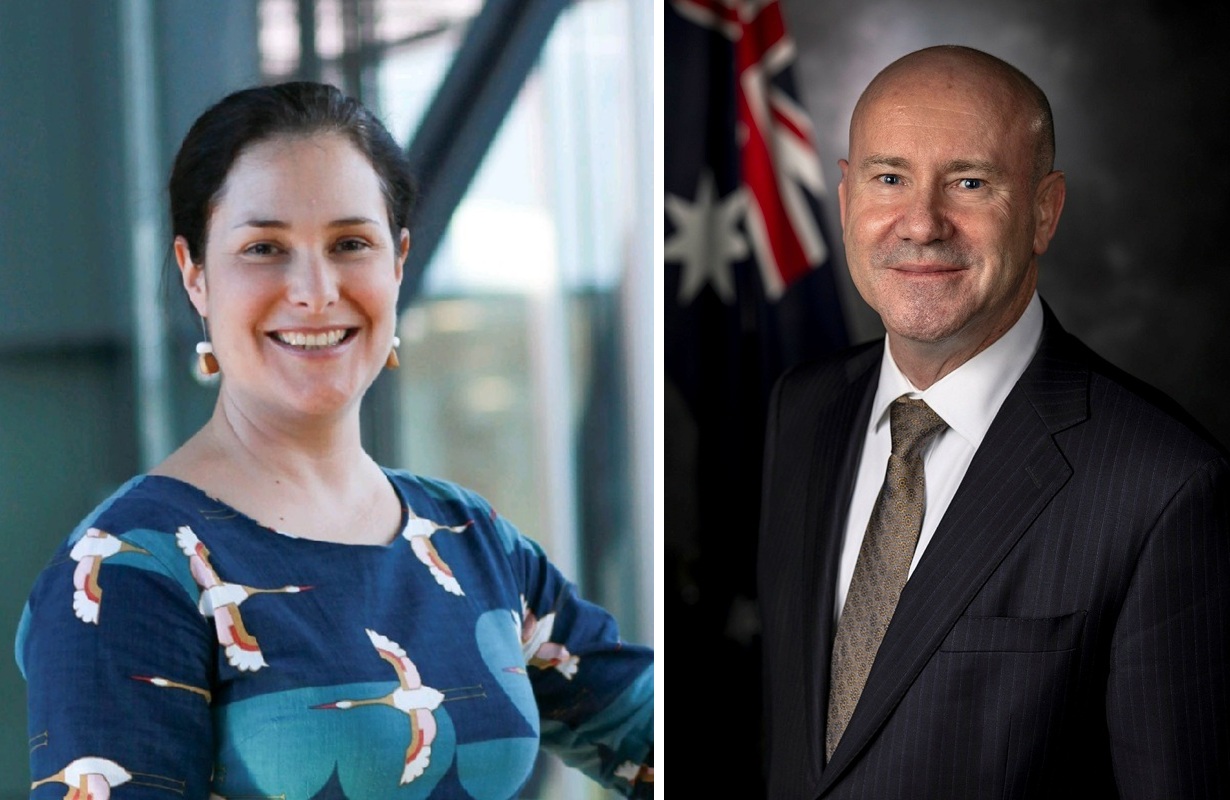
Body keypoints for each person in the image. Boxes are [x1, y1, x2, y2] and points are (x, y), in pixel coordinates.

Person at [17, 82, 653, 799]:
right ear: (195, 274)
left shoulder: (469, 538)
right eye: (264, 247)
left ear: (399, 260)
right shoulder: (133, 568)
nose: (315, 290)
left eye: (350, 243)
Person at [757, 45, 1230, 798]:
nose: (920, 223)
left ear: (1044, 211)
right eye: (889, 179)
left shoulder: (1165, 487)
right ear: (845, 201)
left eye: (970, 183)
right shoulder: (802, 409)